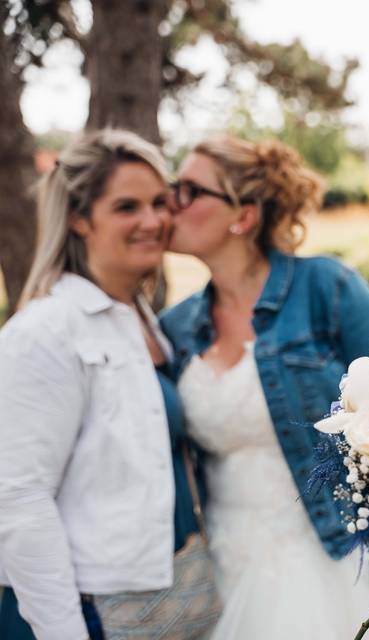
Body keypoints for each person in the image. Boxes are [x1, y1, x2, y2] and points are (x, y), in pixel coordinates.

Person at [159, 135, 369, 638]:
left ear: (242, 215)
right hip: (219, 559)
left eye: (189, 190)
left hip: (329, 546)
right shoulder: (174, 327)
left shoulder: (326, 289)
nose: (170, 201)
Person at [0, 129, 220, 639]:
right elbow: (19, 500)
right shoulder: (44, 332)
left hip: (163, 602)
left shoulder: (145, 323)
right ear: (79, 218)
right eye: (127, 207)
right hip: (82, 614)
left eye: (159, 203)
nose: (153, 221)